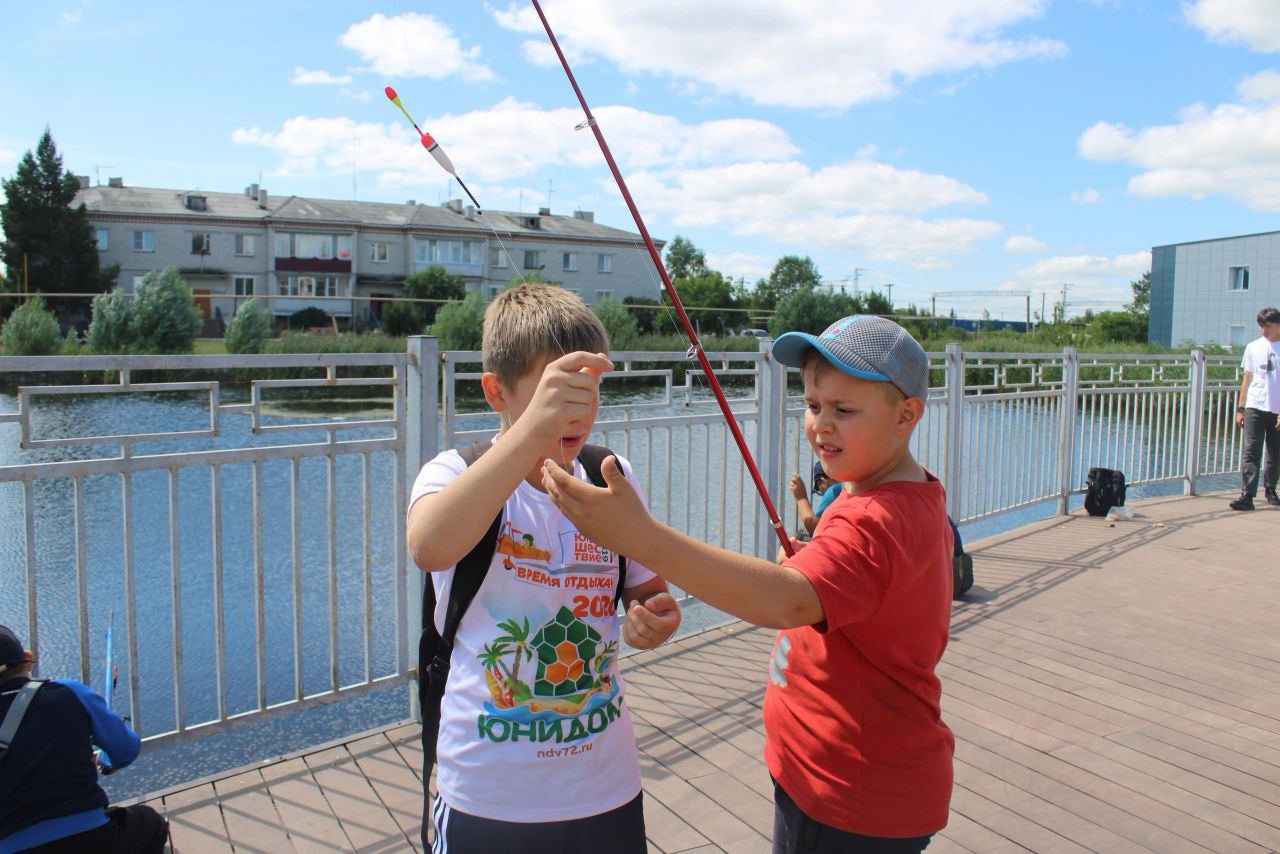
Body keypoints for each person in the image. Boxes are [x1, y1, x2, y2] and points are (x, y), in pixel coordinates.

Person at [543, 314, 954, 852]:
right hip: (857, 780)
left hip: (847, 793)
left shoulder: (873, 519)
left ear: (907, 416)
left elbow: (783, 602)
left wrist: (639, 536)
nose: (820, 425)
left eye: (844, 410)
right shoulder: (896, 494)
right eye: (812, 405)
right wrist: (815, 562)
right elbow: (865, 585)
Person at [405, 284, 681, 853]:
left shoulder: (611, 473)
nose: (577, 409)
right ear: (496, 392)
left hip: (605, 786)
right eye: (557, 392)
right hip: (487, 791)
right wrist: (531, 431)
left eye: (590, 389)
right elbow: (429, 546)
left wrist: (652, 615)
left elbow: (647, 588)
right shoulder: (453, 473)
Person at [0, 625, 168, 853]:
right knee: (151, 823)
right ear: (28, 660)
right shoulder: (69, 691)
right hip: (93, 838)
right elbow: (126, 749)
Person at [1230, 307, 1280, 511]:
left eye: (1267, 326)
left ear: (1277, 325)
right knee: (1251, 451)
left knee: (1275, 453)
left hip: (1277, 409)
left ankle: (1271, 489)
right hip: (1255, 406)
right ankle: (1247, 495)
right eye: (1260, 326)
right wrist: (1240, 408)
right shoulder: (1252, 347)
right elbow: (1247, 379)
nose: (1263, 330)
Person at [789, 461, 841, 536]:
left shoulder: (834, 491)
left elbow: (814, 529)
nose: (823, 494)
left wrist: (801, 497)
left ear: (822, 481)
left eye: (819, 489)